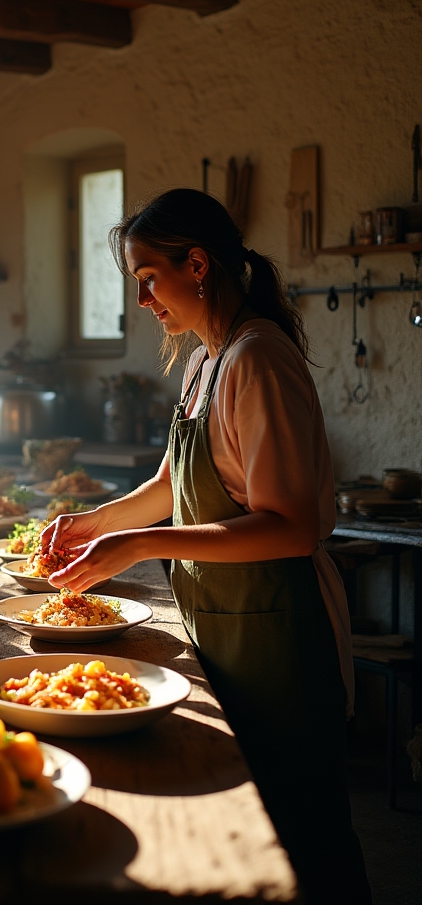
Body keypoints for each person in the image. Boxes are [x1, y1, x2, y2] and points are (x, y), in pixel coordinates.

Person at [43, 189, 370, 904]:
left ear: (196, 265)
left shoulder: (258, 359)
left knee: (304, 843)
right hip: (226, 630)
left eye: (146, 279)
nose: (141, 302)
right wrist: (92, 522)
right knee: (252, 838)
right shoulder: (204, 363)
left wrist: (139, 545)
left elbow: (290, 526)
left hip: (279, 641)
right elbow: (170, 483)